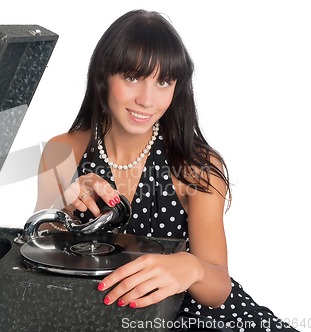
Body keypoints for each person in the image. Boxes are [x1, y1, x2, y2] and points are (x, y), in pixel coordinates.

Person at [34, 9, 297, 332]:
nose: (147, 99)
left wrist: (192, 268)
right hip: (102, 317)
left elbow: (218, 287)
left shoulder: (197, 167)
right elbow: (36, 253)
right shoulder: (62, 152)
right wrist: (62, 206)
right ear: (103, 77)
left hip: (193, 317)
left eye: (163, 81)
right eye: (132, 77)